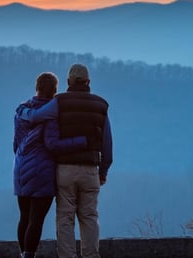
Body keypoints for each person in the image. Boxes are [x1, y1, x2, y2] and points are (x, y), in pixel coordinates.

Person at [17, 63, 113, 258]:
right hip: (90, 170)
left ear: (68, 82)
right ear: (89, 82)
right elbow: (107, 144)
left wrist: (23, 112)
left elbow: (37, 119)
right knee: (89, 216)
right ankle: (91, 256)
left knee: (64, 217)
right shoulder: (101, 105)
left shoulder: (59, 102)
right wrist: (103, 172)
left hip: (65, 170)